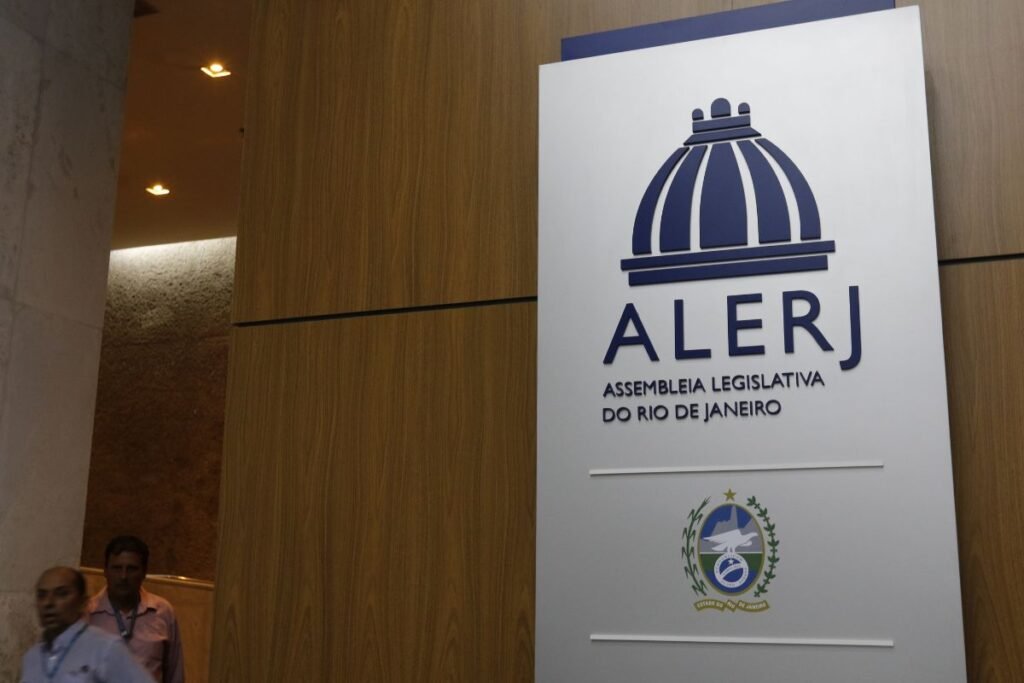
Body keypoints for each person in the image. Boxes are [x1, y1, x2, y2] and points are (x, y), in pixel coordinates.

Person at [21, 566, 154, 682]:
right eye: (42, 595)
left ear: (82, 602)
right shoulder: (33, 656)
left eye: (61, 594)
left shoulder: (105, 648)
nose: (48, 603)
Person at [87, 536, 184, 683]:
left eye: (131, 569)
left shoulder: (162, 612)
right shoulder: (88, 614)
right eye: (117, 568)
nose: (123, 576)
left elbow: (175, 674)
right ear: (105, 571)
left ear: (144, 572)